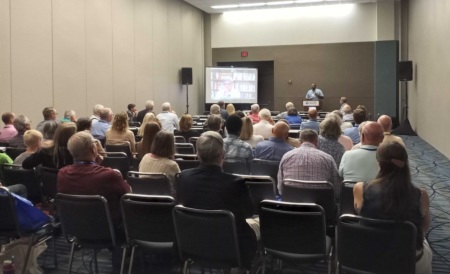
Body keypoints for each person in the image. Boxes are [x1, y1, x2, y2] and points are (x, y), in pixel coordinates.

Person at [176, 131, 258, 269]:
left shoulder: (184, 177)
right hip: (230, 246)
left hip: (193, 242)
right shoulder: (235, 183)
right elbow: (249, 212)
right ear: (223, 155)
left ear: (197, 154)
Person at [353, 142, 432, 274]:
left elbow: (360, 215)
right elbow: (423, 227)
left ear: (379, 163)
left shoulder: (360, 188)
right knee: (426, 246)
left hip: (369, 259)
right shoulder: (421, 195)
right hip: (409, 263)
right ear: (405, 164)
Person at [57, 131, 131, 270]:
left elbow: (85, 176)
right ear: (93, 148)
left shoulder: (62, 173)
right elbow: (128, 194)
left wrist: (95, 163)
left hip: (76, 230)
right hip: (110, 232)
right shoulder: (110, 175)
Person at [278, 129, 340, 195]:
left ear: (300, 141)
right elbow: (336, 188)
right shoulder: (328, 158)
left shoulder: (287, 156)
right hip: (320, 203)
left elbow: (280, 188)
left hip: (291, 202)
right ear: (316, 142)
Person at [139, 131, 180, 196]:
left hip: (143, 199)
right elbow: (179, 185)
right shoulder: (172, 165)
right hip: (166, 202)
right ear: (171, 146)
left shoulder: (145, 157)